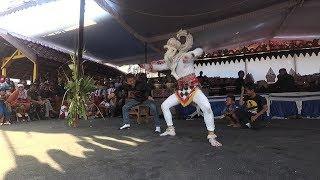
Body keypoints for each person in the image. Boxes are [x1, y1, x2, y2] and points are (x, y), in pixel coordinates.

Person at [140, 30, 221, 147]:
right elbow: (159, 65)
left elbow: (200, 50)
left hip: (193, 88)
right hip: (181, 90)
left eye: (169, 49)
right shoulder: (171, 61)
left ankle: (211, 135)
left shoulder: (185, 55)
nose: (167, 51)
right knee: (164, 105)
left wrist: (191, 55)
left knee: (207, 107)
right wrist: (148, 66)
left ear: (175, 49)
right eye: (167, 49)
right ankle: (170, 129)